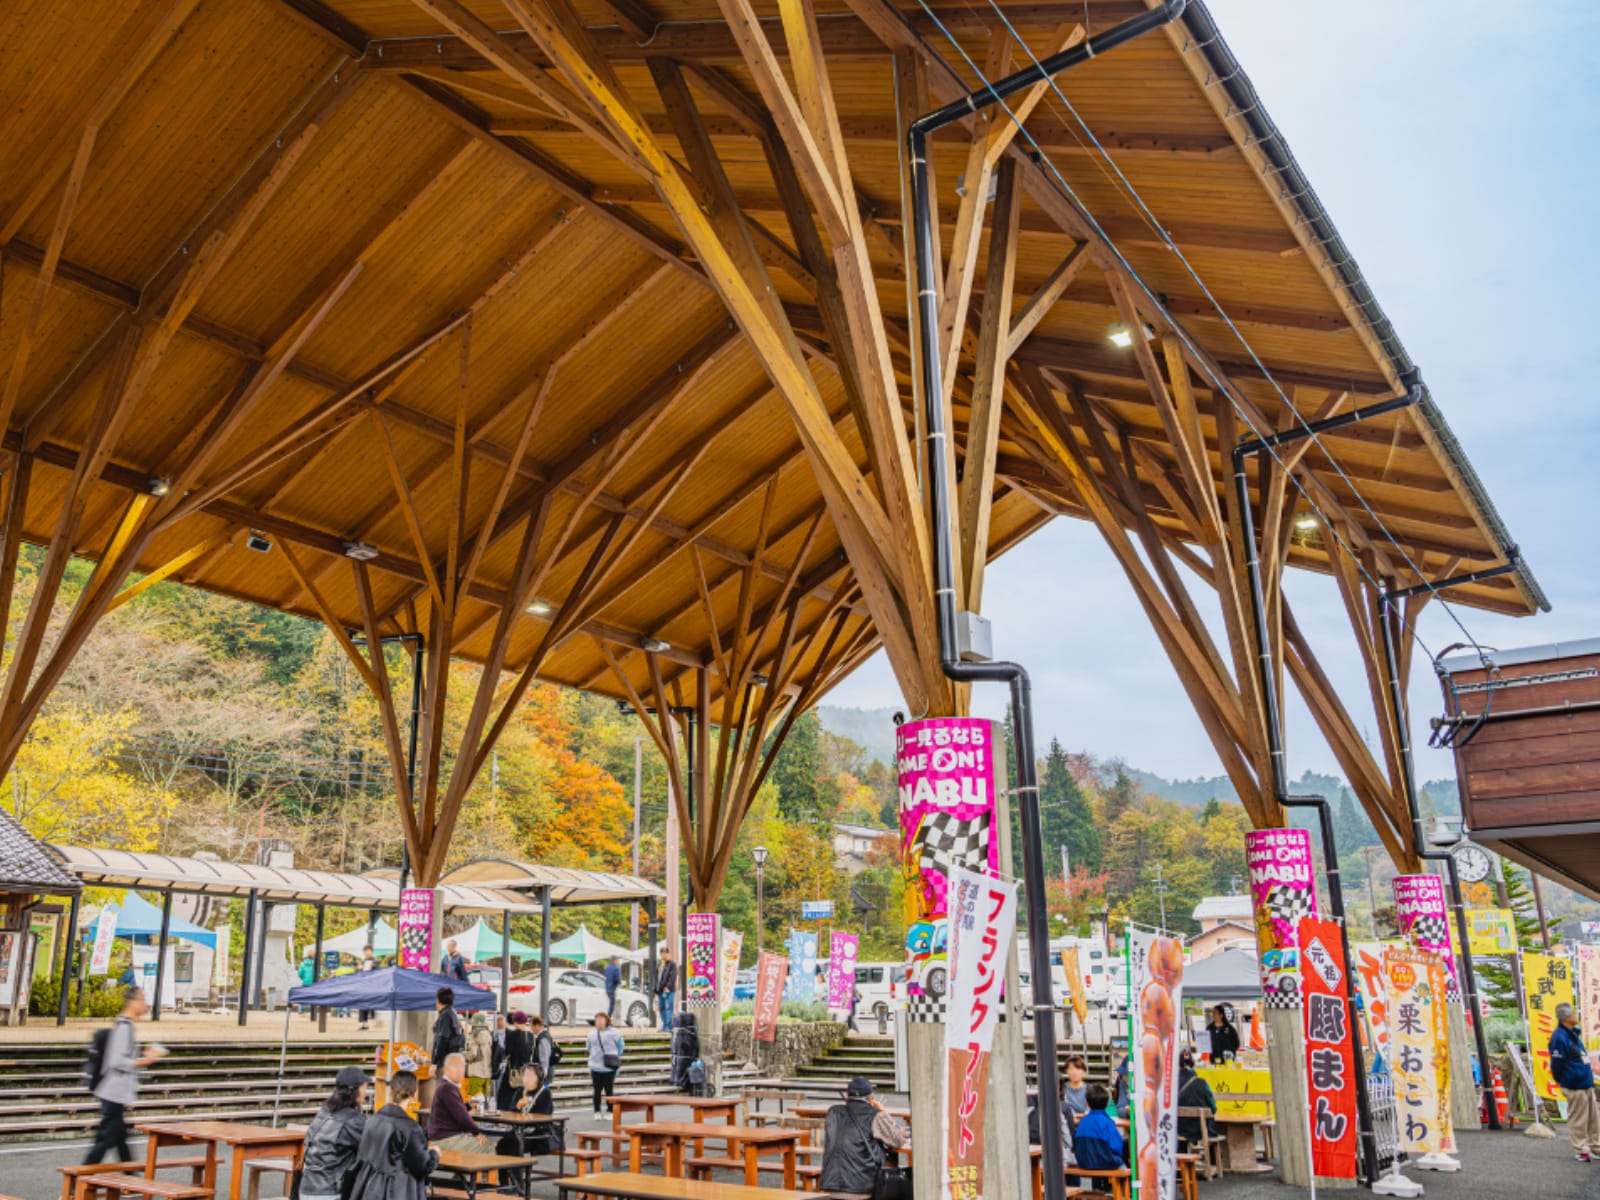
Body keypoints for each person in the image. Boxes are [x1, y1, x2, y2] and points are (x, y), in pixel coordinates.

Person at [84, 987, 165, 1165]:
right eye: (142, 1000)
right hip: (113, 1091)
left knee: (120, 1139)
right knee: (104, 1141)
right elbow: (117, 1060)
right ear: (132, 1002)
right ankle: (76, 1183)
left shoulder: (125, 1026)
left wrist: (144, 1050)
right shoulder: (124, 1027)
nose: (145, 1004)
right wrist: (144, 1061)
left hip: (117, 1092)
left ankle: (131, 1179)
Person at [348, 1070, 437, 1200]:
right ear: (414, 1093)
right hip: (397, 1191)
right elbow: (423, 1166)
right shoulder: (410, 1128)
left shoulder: (372, 1120)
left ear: (391, 1091)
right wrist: (434, 1154)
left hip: (369, 1189)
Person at [818, 1076, 908, 1198]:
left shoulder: (833, 1112)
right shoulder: (875, 1115)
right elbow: (897, 1140)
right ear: (871, 1098)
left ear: (846, 1095)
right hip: (861, 1186)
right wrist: (884, 1112)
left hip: (831, 1183)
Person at [298, 1066, 369, 1200]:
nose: (365, 1092)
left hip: (307, 1188)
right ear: (356, 1090)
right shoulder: (353, 1120)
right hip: (330, 1192)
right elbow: (372, 1150)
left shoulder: (323, 1114)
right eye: (364, 1087)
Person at [1551, 1001, 1599, 1160]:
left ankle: (1595, 1146)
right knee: (1578, 1118)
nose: (1576, 1015)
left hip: (1585, 1081)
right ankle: (1581, 1149)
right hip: (1573, 1083)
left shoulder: (1574, 1034)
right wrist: (1563, 1079)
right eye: (1573, 1013)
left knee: (1593, 1118)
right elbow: (1556, 1063)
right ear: (1566, 1017)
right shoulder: (1559, 1037)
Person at [428, 1053, 490, 1152]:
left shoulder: (448, 1086)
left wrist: (469, 1105)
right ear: (445, 1069)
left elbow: (457, 1111)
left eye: (462, 1066)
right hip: (446, 1139)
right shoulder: (447, 1088)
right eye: (455, 1067)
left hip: (446, 1137)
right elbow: (462, 1117)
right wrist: (477, 1133)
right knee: (489, 1147)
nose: (460, 1070)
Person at [1073, 1084, 1126, 1178]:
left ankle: (1097, 1187)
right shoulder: (1108, 1122)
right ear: (1107, 1103)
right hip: (1106, 1163)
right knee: (1123, 1165)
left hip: (1084, 1163)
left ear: (1087, 1104)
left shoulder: (1083, 1121)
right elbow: (1117, 1147)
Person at [1175, 1049, 1218, 1153]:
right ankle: (1212, 1162)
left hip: (1179, 1129)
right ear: (1193, 1065)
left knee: (1182, 1129)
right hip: (1202, 1129)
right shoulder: (1202, 1083)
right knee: (1211, 1127)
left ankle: (1182, 1162)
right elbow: (1213, 1107)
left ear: (1178, 1066)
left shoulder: (1173, 1085)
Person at [1027, 1087, 1075, 1173]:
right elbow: (1068, 1136)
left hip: (1033, 1159)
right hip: (1057, 1159)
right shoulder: (1060, 1110)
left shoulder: (1029, 1113)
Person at [587, 1011, 625, 1115]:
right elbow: (588, 1047)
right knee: (597, 1091)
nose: (598, 1022)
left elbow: (620, 1046)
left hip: (609, 1066)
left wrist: (615, 1056)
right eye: (597, 1020)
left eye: (601, 1020)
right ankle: (597, 1111)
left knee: (609, 1090)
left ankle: (610, 1110)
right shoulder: (592, 1033)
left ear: (606, 1020)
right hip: (595, 1066)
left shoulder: (615, 1033)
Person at [496, 1011, 532, 1111]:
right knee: (520, 1094)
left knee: (504, 1096)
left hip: (513, 1071)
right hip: (526, 1070)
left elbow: (507, 1052)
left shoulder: (512, 1035)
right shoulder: (530, 1036)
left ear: (515, 1021)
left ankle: (504, 1116)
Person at [463, 1011, 495, 1104]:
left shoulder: (475, 1035)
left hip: (476, 1072)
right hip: (487, 1073)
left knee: (475, 1100)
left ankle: (476, 1118)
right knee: (483, 1099)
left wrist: (464, 1055)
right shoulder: (489, 1035)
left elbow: (473, 1053)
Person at [432, 987, 464, 1072]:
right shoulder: (452, 1014)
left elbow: (442, 1039)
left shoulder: (445, 1016)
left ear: (439, 1001)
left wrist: (434, 1062)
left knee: (442, 1084)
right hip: (451, 1060)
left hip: (444, 1062)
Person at [670, 1010, 699, 1093]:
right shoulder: (687, 1031)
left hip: (680, 1053)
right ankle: (681, 1081)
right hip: (684, 1054)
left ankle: (677, 1080)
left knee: (680, 1063)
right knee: (683, 1063)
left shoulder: (678, 1031)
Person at [1061, 1054, 1089, 1125]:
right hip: (1066, 1126)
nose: (1074, 1072)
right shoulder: (1062, 1088)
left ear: (1084, 1071)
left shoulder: (1089, 1089)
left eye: (1078, 1069)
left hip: (1085, 1126)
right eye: (1071, 1069)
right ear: (1066, 1071)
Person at [654, 948, 677, 1028]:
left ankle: (669, 1026)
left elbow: (673, 977)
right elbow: (657, 978)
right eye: (662, 953)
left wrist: (668, 987)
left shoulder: (672, 964)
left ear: (668, 954)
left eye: (665, 953)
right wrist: (655, 990)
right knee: (661, 1008)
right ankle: (664, 1025)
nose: (663, 955)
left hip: (669, 990)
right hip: (660, 990)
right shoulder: (659, 964)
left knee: (668, 1008)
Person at [357, 945, 377, 1031]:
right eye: (366, 951)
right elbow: (359, 972)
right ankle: (364, 1023)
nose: (367, 953)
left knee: (372, 1003)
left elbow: (378, 972)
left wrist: (373, 967)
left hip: (373, 986)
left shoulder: (375, 961)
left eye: (369, 951)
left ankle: (374, 1017)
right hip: (364, 986)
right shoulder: (363, 962)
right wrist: (359, 968)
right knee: (362, 1004)